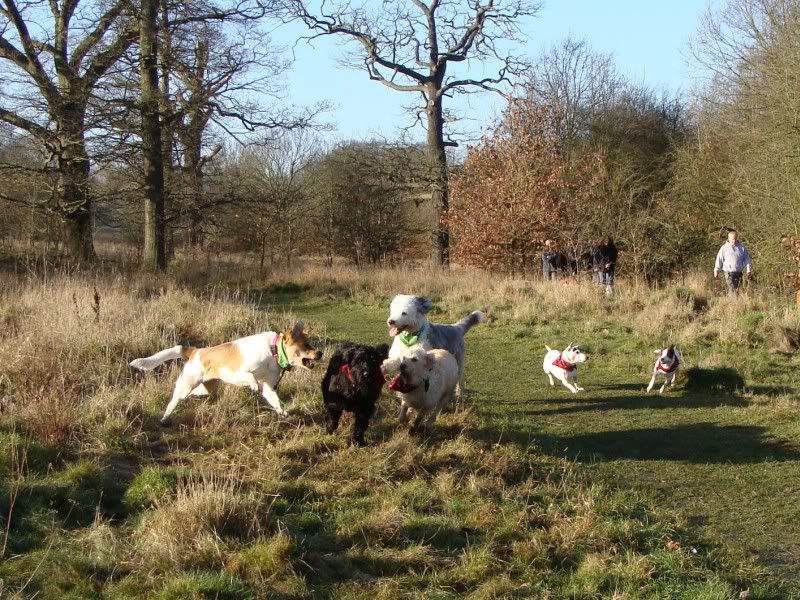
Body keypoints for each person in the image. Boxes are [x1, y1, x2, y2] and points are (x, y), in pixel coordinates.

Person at [714, 229, 753, 293]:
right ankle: (731, 301)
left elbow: (747, 259)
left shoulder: (741, 248)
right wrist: (716, 270)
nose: (734, 241)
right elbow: (719, 259)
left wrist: (748, 270)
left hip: (739, 273)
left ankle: (735, 302)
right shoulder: (724, 248)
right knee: (732, 290)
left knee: (738, 290)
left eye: (735, 239)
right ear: (728, 239)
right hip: (728, 273)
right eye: (732, 239)